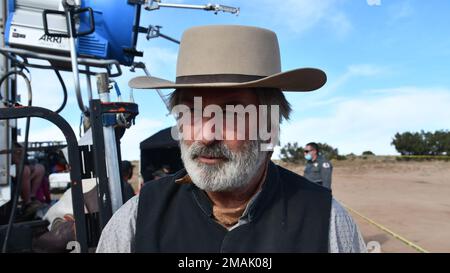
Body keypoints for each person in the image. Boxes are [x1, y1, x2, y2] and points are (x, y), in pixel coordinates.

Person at [96, 25, 366, 253]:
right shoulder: (135, 220)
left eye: (230, 114)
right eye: (192, 112)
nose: (206, 135)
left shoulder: (326, 221)